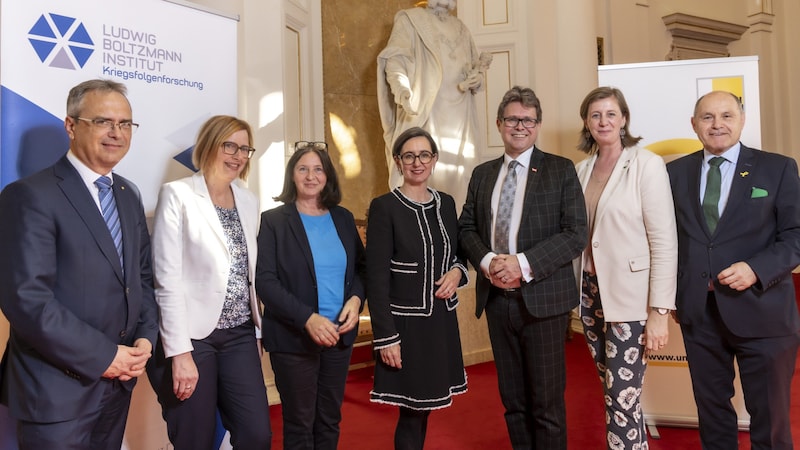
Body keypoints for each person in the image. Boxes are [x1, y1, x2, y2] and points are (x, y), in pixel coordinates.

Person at [0, 79, 158, 449]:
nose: (116, 133)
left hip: (117, 385)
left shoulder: (128, 193)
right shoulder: (30, 195)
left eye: (125, 124)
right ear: (71, 126)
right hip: (55, 391)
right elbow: (28, 301)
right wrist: (105, 357)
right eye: (103, 121)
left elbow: (142, 278)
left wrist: (146, 338)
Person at [667, 90, 800, 450]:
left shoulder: (778, 168)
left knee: (769, 419)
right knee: (712, 416)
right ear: (694, 125)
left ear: (742, 120)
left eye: (726, 115)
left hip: (765, 312)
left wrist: (756, 269)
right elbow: (667, 240)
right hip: (700, 314)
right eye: (707, 117)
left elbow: (795, 236)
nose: (717, 124)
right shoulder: (674, 173)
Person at [458, 86, 588, 449]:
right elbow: (466, 227)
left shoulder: (560, 170)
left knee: (546, 403)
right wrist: (488, 262)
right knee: (513, 402)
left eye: (528, 120)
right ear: (500, 123)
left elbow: (576, 232)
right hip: (498, 302)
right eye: (513, 119)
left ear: (538, 125)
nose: (520, 126)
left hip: (542, 301)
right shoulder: (483, 174)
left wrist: (521, 264)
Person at [146, 115, 271, 449]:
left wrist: (257, 331)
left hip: (240, 335)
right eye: (229, 145)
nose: (238, 155)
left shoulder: (248, 200)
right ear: (209, 146)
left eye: (245, 148)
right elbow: (166, 279)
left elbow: (248, 274)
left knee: (257, 435)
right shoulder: (178, 195)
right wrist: (179, 352)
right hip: (194, 338)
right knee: (194, 438)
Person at [574, 87, 677, 449]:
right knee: (617, 393)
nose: (603, 121)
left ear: (624, 119)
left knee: (621, 396)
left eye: (611, 114)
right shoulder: (581, 169)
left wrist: (660, 310)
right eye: (595, 115)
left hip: (631, 299)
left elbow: (664, 239)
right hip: (590, 294)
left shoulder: (646, 164)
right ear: (587, 122)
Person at [256, 141, 366, 450]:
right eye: (302, 169)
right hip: (293, 340)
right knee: (299, 424)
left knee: (329, 420)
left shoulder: (343, 218)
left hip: (339, 337)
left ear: (328, 176)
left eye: (318, 169)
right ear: (292, 176)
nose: (310, 176)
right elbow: (265, 281)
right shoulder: (274, 221)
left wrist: (356, 300)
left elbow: (361, 268)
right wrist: (308, 318)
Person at [366, 127, 469, 450]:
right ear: (398, 162)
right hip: (405, 326)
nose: (417, 162)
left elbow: (459, 253)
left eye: (424, 155)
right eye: (409, 156)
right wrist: (386, 337)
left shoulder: (446, 204)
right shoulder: (385, 207)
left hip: (439, 323)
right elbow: (376, 278)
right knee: (411, 411)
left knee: (424, 409)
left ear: (434, 159)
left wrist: (457, 271)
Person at [377, 0, 491, 207]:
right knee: (422, 170)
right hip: (426, 110)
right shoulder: (411, 19)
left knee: (461, 178)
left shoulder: (461, 28)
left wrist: (478, 80)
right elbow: (395, 60)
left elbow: (474, 68)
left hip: (460, 116)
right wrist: (401, 90)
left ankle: (455, 228)